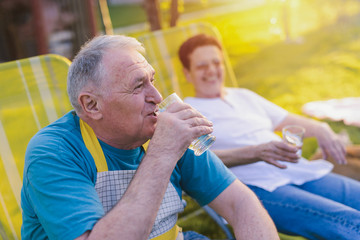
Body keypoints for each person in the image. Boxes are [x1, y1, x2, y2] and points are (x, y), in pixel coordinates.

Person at [20, 35, 279, 240]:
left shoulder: (163, 128)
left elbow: (240, 204)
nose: (156, 96)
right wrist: (163, 153)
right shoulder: (55, 152)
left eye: (152, 80)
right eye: (138, 86)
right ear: (92, 105)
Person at [179, 33, 360, 240]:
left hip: (298, 170)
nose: (211, 71)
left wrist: (321, 129)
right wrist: (255, 152)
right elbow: (192, 160)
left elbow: (291, 120)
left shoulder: (243, 96)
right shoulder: (188, 111)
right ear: (187, 73)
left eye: (216, 62)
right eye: (202, 66)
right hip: (255, 188)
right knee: (352, 223)